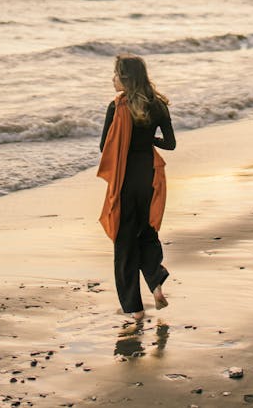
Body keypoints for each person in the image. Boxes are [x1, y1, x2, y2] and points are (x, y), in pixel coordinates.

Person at [97, 54, 176, 319]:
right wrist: (147, 140)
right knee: (147, 233)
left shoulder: (117, 106)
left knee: (125, 243)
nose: (113, 79)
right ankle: (155, 284)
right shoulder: (159, 105)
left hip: (126, 180)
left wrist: (126, 143)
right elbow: (170, 144)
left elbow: (103, 148)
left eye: (116, 74)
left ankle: (135, 309)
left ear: (127, 78)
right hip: (150, 178)